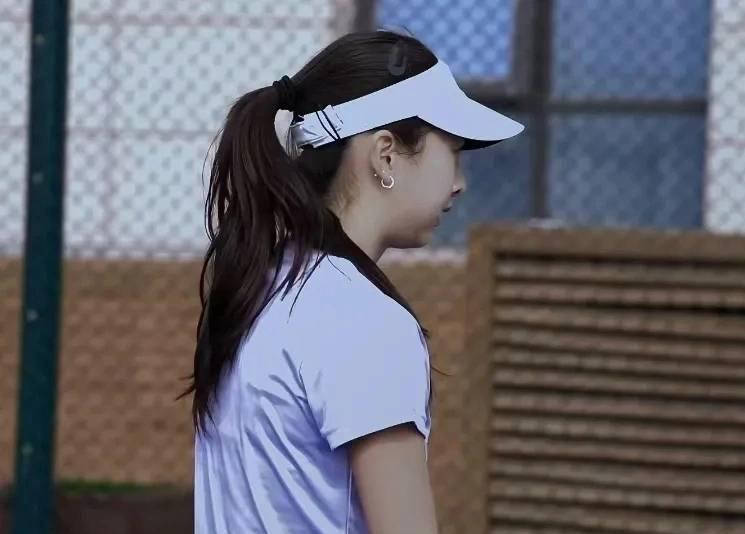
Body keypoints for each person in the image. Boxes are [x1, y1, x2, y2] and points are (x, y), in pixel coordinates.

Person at [182, 29, 524, 534]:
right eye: (452, 151)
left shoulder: (260, 285)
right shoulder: (365, 322)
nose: (459, 182)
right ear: (385, 154)